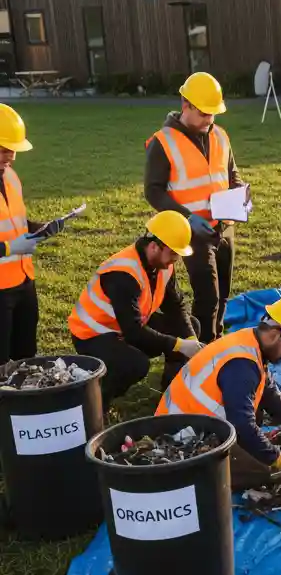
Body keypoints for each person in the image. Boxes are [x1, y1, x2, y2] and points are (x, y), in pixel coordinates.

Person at [157, 297, 281, 487]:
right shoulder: (241, 366)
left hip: (190, 421)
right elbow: (242, 424)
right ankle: (197, 476)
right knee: (260, 471)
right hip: (181, 440)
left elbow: (267, 390)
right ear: (277, 335)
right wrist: (278, 458)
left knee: (255, 419)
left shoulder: (248, 341)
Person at [145, 72, 247, 343]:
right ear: (185, 104)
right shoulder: (163, 142)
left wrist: (241, 194)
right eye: (204, 113)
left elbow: (231, 173)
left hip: (225, 227)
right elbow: (153, 191)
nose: (209, 120)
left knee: (223, 293)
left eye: (214, 113)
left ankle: (217, 338)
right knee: (208, 297)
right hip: (192, 233)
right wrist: (187, 218)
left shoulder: (221, 136)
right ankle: (204, 350)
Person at [69, 212, 201, 409]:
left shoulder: (163, 265)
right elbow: (134, 333)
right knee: (134, 364)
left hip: (128, 325)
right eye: (174, 253)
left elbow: (176, 305)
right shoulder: (123, 273)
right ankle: (94, 404)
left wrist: (190, 340)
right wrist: (178, 345)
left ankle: (171, 393)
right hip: (93, 334)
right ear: (155, 246)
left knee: (192, 325)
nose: (176, 260)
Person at [0, 104, 59, 363]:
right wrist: (11, 248)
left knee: (26, 358)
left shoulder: (11, 177)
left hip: (24, 282)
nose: (10, 157)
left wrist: (39, 228)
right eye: (3, 150)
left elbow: (16, 222)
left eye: (13, 150)